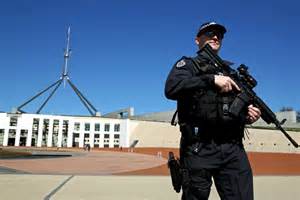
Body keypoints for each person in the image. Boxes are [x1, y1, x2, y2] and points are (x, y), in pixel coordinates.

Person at [165, 22, 261, 200]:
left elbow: (229, 108)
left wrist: (247, 115)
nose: (215, 37)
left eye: (219, 35)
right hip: (199, 147)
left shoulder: (231, 73)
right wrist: (210, 80)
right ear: (197, 40)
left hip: (232, 148)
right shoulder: (188, 65)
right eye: (209, 33)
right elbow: (172, 88)